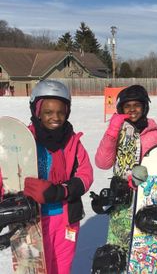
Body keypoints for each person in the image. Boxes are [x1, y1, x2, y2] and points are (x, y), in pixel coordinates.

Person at [22, 80, 94, 274]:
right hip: (32, 222)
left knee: (61, 268)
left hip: (65, 220)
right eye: (48, 112)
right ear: (37, 111)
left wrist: (62, 191)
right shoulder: (24, 140)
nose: (55, 117)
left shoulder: (72, 142)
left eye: (61, 112)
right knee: (36, 269)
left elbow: (86, 174)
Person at [95, 84, 157, 170]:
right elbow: (102, 164)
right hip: (121, 182)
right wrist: (112, 132)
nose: (132, 109)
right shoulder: (118, 130)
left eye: (137, 105)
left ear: (144, 107)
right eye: (127, 106)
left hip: (148, 182)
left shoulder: (154, 132)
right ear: (121, 109)